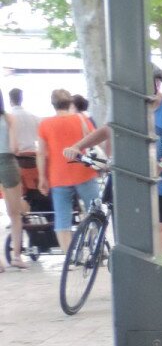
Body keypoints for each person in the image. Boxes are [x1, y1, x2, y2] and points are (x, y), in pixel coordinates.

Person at [66, 66, 162, 293]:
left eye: (151, 82)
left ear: (158, 84)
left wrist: (161, 164)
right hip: (155, 187)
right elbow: (108, 130)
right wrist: (78, 146)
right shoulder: (134, 110)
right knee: (158, 234)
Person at [36, 89, 99, 254]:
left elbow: (41, 153)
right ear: (70, 103)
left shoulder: (44, 124)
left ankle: (69, 257)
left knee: (62, 219)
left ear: (53, 104)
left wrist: (42, 178)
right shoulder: (81, 119)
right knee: (95, 212)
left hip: (58, 177)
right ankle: (96, 249)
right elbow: (95, 139)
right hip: (84, 172)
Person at [1, 89, 26, 270]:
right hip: (7, 163)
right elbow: (14, 147)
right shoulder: (9, 118)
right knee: (15, 214)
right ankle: (16, 257)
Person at [7, 88, 41, 193]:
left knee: (19, 191)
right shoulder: (34, 117)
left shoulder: (7, 119)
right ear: (22, 99)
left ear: (10, 100)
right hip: (34, 159)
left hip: (17, 160)